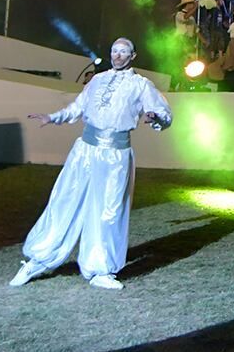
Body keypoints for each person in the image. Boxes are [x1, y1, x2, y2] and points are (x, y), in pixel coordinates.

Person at [9, 37, 172, 290]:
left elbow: (163, 113)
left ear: (133, 55)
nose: (117, 56)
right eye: (114, 51)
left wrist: (154, 116)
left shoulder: (141, 85)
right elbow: (78, 107)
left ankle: (101, 270)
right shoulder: (97, 80)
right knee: (64, 201)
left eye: (123, 52)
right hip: (84, 151)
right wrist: (53, 117)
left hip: (115, 155)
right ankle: (38, 260)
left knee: (108, 211)